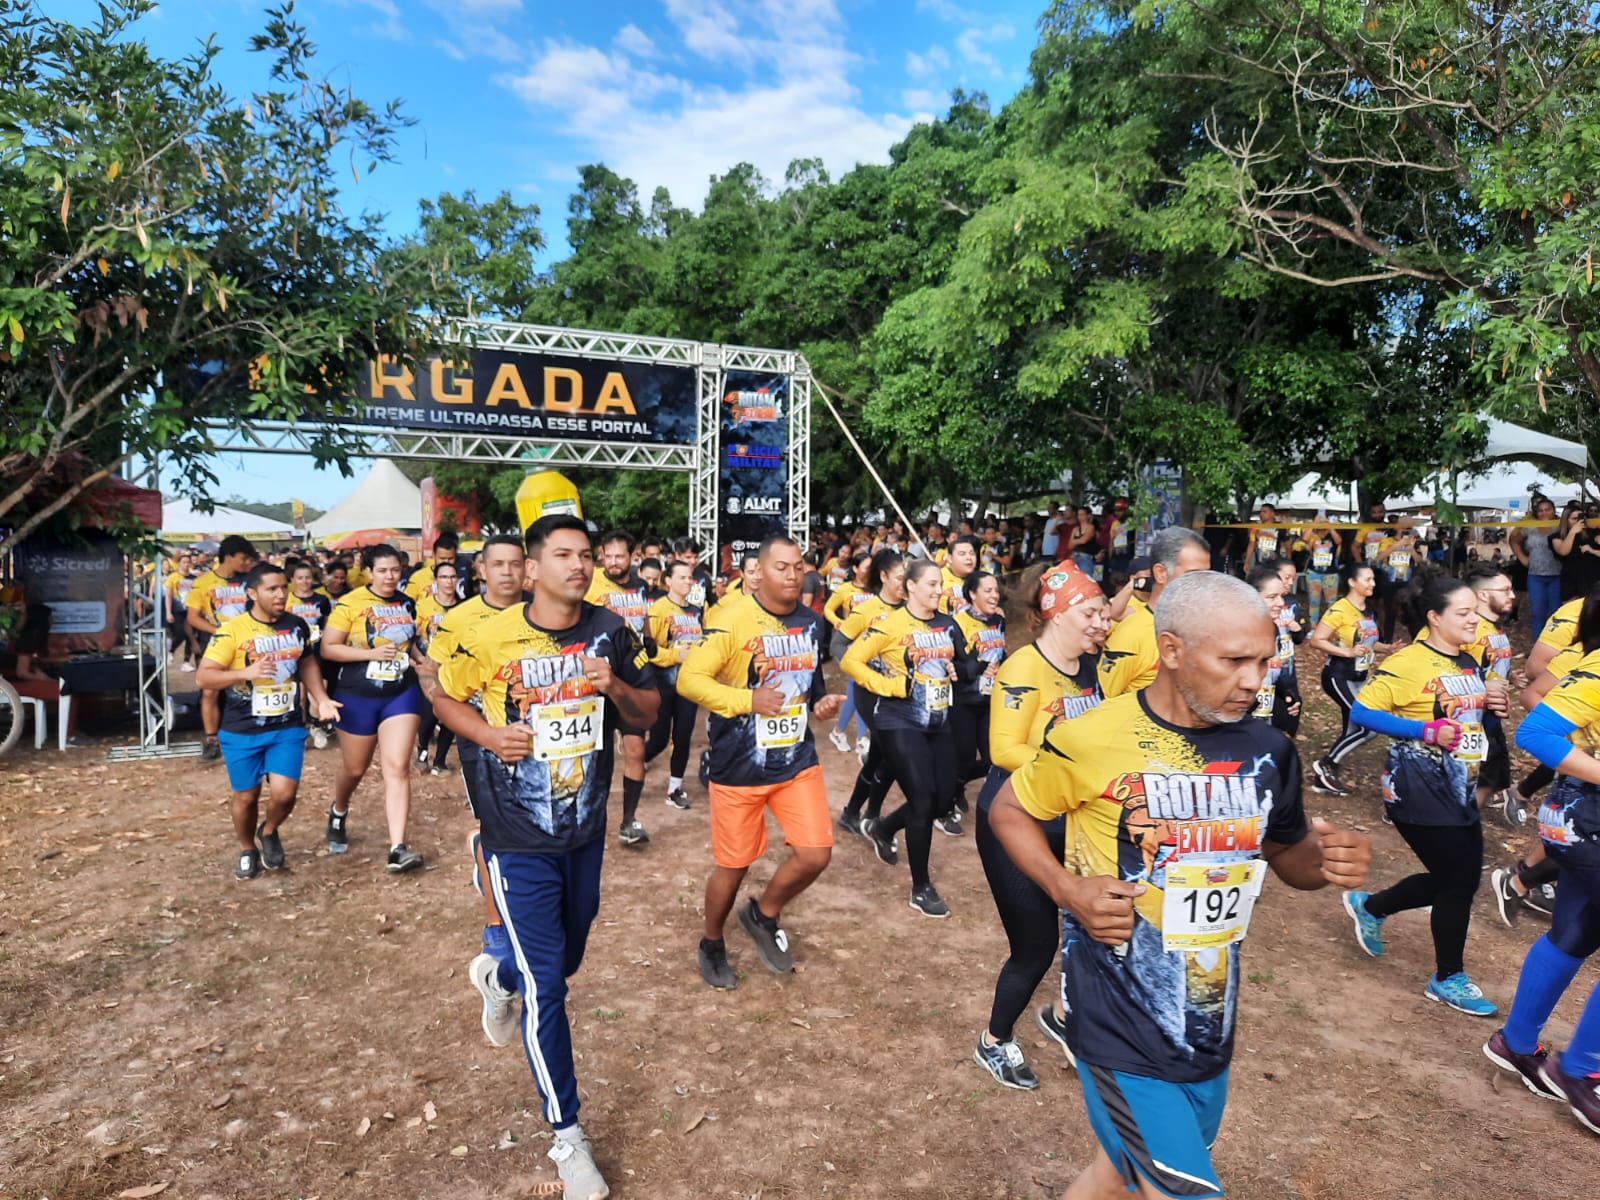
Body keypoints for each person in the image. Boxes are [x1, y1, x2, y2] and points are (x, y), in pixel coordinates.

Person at [988, 571, 1370, 1199]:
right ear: (1171, 651)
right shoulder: (1092, 738)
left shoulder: (1269, 750)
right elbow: (1010, 808)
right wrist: (1065, 889)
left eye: (1265, 661)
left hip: (1208, 1013)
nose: (1254, 680)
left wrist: (1327, 861)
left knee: (1118, 1175)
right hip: (1117, 1013)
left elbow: (1288, 857)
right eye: (1234, 661)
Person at [430, 514, 658, 1200]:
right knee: (550, 988)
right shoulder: (488, 634)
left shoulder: (612, 631)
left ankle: (499, 977)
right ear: (530, 569)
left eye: (586, 555)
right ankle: (567, 1135)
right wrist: (489, 734)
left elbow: (650, 715)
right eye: (562, 555)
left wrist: (612, 686)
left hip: (584, 832)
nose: (579, 565)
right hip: (516, 835)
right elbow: (443, 696)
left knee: (562, 962)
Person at [1338, 576, 1511, 1017]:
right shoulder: (1409, 662)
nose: (1475, 620)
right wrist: (1424, 730)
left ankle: (1372, 906)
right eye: (1464, 613)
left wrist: (1492, 713)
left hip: (1458, 785)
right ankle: (1448, 976)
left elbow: (1472, 726)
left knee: (1461, 878)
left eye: (1476, 611)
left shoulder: (1470, 661)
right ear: (1434, 618)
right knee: (1458, 880)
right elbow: (1363, 710)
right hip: (1415, 785)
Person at [677, 534, 842, 987]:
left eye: (797, 567)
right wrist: (746, 699)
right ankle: (711, 942)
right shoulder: (732, 620)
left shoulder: (810, 621)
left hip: (795, 760)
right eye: (781, 567)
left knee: (815, 854)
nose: (792, 576)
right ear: (759, 573)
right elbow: (690, 681)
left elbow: (812, 683)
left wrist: (821, 705)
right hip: (739, 765)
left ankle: (763, 914)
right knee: (733, 866)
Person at [971, 563, 1109, 1090]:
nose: (1100, 621)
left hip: (1072, 818)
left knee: (1090, 928)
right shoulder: (1022, 668)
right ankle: (994, 1041)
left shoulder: (1091, 668)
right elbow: (1004, 750)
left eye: (1101, 612)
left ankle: (1067, 1019)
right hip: (1015, 820)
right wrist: (1077, 772)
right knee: (1035, 947)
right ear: (1055, 614)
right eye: (1090, 612)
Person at [1487, 629, 1600, 1134]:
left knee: (1576, 933)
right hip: (1585, 817)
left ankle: (1515, 1042)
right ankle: (1582, 1072)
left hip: (1583, 818)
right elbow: (1535, 733)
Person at [844, 557, 977, 917]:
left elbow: (968, 665)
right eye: (931, 584)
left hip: (940, 720)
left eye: (940, 585)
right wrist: (888, 685)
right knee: (922, 798)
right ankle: (921, 888)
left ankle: (883, 828)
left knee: (942, 800)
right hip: (898, 720)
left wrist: (957, 669)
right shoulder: (889, 624)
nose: (938, 590)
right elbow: (850, 661)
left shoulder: (949, 625)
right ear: (911, 587)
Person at [421, 534, 529, 970]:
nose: (507, 572)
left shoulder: (544, 614)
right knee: (495, 828)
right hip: (479, 736)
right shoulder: (461, 619)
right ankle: (496, 930)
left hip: (532, 738)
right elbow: (433, 674)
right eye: (497, 564)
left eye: (515, 564)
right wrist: (457, 716)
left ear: (528, 569)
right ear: (481, 570)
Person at [197, 561, 340, 880]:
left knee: (285, 793)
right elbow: (203, 677)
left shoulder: (296, 625)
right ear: (252, 593)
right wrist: (243, 673)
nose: (280, 595)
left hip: (286, 725)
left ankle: (270, 829)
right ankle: (248, 848)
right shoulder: (232, 630)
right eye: (271, 589)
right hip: (242, 728)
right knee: (246, 797)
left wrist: (321, 698)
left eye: (283, 588)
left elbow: (307, 663)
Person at [321, 544, 427, 873]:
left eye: (395, 570)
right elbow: (328, 648)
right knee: (355, 769)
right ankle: (339, 810)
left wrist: (423, 663)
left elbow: (410, 646)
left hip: (400, 692)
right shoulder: (350, 604)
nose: (390, 577)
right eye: (382, 570)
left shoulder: (407, 602)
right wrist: (370, 655)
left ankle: (398, 847)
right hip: (357, 694)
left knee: (397, 767)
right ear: (368, 572)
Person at [586, 530, 653, 847]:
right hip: (596, 682)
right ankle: (589, 820)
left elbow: (643, 619)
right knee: (595, 760)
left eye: (620, 556)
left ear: (632, 556)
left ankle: (629, 821)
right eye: (608, 556)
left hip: (631, 679)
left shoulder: (641, 585)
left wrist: (649, 640)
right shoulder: (591, 584)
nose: (613, 562)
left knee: (636, 750)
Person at [835, 550, 908, 832]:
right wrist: (858, 670)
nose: (905, 583)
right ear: (884, 576)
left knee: (880, 755)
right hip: (870, 693)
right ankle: (870, 815)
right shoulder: (866, 610)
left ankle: (854, 812)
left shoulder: (909, 609)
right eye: (901, 577)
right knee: (889, 752)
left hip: (899, 693)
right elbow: (838, 645)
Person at [1098, 525, 1211, 698]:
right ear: (1160, 573)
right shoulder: (1132, 635)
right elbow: (1101, 702)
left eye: (1206, 576)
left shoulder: (1205, 628)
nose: (1203, 584)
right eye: (1192, 574)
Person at [1307, 562, 1390, 797]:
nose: (1372, 583)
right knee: (1368, 727)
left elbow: (1369, 643)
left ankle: (1323, 779)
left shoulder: (1368, 610)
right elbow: (1317, 640)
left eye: (1373, 579)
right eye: (1367, 579)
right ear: (1352, 582)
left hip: (1359, 676)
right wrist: (1347, 653)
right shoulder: (1339, 609)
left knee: (1353, 729)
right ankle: (1326, 764)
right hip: (1338, 676)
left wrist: (1388, 648)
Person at [187, 536, 259, 762]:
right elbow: (192, 618)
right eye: (242, 558)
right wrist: (218, 632)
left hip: (246, 643)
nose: (246, 563)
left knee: (250, 685)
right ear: (228, 557)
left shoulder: (249, 582)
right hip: (215, 642)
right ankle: (211, 739)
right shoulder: (203, 582)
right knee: (210, 691)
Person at [1461, 563, 1523, 823]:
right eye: (1505, 589)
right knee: (1477, 777)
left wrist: (1508, 676)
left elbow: (1485, 665)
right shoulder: (1471, 632)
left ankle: (1464, 822)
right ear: (1484, 595)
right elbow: (1451, 672)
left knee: (1492, 777)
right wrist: (1483, 686)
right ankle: (1456, 826)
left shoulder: (1494, 628)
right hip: (1472, 721)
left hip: (1492, 718)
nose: (1513, 595)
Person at [645, 559, 704, 810]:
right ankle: (639, 761)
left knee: (683, 736)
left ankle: (674, 788)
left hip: (688, 684)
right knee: (659, 738)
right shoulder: (658, 609)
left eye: (690, 578)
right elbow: (647, 649)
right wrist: (673, 656)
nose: (687, 582)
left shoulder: (698, 610)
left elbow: (704, 642)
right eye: (682, 577)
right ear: (668, 580)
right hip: (663, 683)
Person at [951, 569, 1007, 832]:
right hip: (964, 700)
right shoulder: (957, 624)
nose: (994, 595)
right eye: (988, 590)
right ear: (972, 594)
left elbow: (1001, 653)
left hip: (989, 699)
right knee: (963, 757)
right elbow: (960, 668)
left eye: (996, 590)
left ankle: (956, 784)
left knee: (992, 758)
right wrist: (982, 662)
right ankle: (952, 790)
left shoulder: (999, 621)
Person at [822, 551, 874, 756]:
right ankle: (862, 738)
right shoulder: (844, 589)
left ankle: (838, 731)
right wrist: (837, 622)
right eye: (866, 567)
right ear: (855, 569)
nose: (870, 571)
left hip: (869, 646)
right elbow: (828, 609)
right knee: (858, 684)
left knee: (858, 687)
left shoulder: (877, 590)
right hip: (846, 645)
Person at [414, 560, 463, 776]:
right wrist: (418, 659)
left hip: (455, 669)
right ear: (436, 581)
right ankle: (422, 750)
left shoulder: (465, 607)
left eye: (452, 577)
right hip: (430, 667)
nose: (449, 581)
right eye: (444, 577)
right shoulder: (423, 606)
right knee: (429, 715)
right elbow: (412, 636)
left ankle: (440, 761)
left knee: (450, 715)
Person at [1246, 563, 1303, 739]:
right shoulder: (1234, 633)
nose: (1281, 603)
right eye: (1272, 597)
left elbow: (1270, 674)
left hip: (1264, 719)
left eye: (1281, 596)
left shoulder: (1273, 629)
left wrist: (1286, 695)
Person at [286, 560, 334, 751]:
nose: (304, 581)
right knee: (300, 695)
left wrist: (324, 633)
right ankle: (299, 730)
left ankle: (316, 726)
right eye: (300, 578)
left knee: (319, 689)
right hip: (293, 652)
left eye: (307, 578)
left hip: (316, 651)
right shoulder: (287, 600)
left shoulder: (321, 600)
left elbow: (328, 624)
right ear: (293, 580)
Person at [1512, 496, 1563, 637]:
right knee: (1538, 612)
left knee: (1556, 612)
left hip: (1557, 575)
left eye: (1547, 509)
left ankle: (1554, 643)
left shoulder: (1561, 526)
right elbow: (1514, 540)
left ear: (1553, 510)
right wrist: (1522, 558)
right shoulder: (1529, 527)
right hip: (1535, 575)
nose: (1544, 513)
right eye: (1540, 510)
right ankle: (1537, 644)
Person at [163, 550, 199, 672]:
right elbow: (168, 596)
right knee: (180, 633)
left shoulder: (194, 578)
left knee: (190, 635)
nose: (186, 565)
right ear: (179, 563)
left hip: (191, 610)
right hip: (178, 610)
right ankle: (171, 651)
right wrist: (168, 612)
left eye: (188, 562)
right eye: (184, 562)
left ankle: (186, 662)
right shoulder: (173, 577)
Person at [1303, 516, 1342, 626]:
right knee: (1314, 601)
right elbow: (1304, 538)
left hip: (1331, 573)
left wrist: (1330, 526)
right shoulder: (1313, 536)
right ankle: (1313, 626)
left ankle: (1330, 626)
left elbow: (1339, 541)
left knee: (1331, 603)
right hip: (1314, 572)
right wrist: (1314, 523)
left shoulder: (1332, 536)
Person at [405, 531, 459, 602]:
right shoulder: (418, 577)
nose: (446, 562)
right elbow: (407, 603)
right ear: (433, 555)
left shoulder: (462, 576)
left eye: (450, 558)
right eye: (442, 558)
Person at [939, 534, 979, 616]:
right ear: (950, 558)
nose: (969, 557)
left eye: (972, 553)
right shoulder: (938, 579)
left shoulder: (981, 580)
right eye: (962, 554)